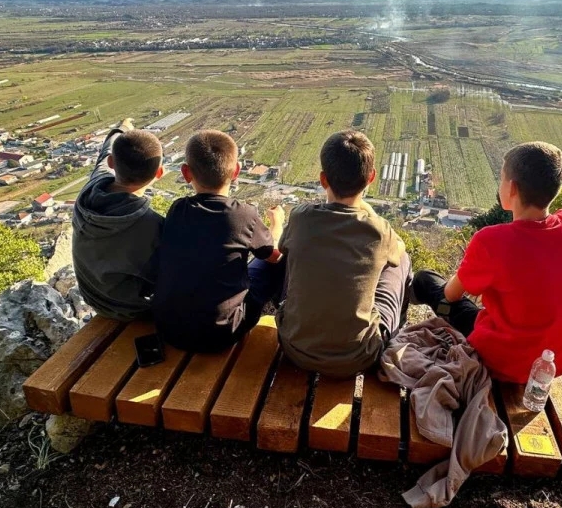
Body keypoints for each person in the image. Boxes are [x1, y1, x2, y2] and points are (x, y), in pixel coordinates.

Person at [411, 141, 562, 383]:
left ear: (512, 188)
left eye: (502, 178)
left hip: (505, 361)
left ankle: (402, 324)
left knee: (425, 281)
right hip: (560, 360)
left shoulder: (492, 240)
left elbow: (451, 294)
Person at [276, 130, 412, 378]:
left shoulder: (301, 218)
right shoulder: (379, 231)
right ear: (371, 177)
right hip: (359, 357)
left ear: (323, 179)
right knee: (401, 262)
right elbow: (399, 250)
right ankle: (396, 332)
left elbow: (281, 248)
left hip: (295, 349)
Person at [153, 130, 284, 353]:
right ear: (236, 171)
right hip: (222, 334)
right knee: (273, 266)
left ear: (186, 173)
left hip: (170, 329)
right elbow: (273, 255)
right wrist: (277, 223)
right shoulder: (243, 215)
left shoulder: (177, 209)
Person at [72, 119, 165, 320]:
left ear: (112, 163)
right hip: (132, 310)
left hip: (93, 297)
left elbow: (106, 152)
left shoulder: (88, 191)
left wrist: (121, 128)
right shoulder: (155, 226)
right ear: (159, 173)